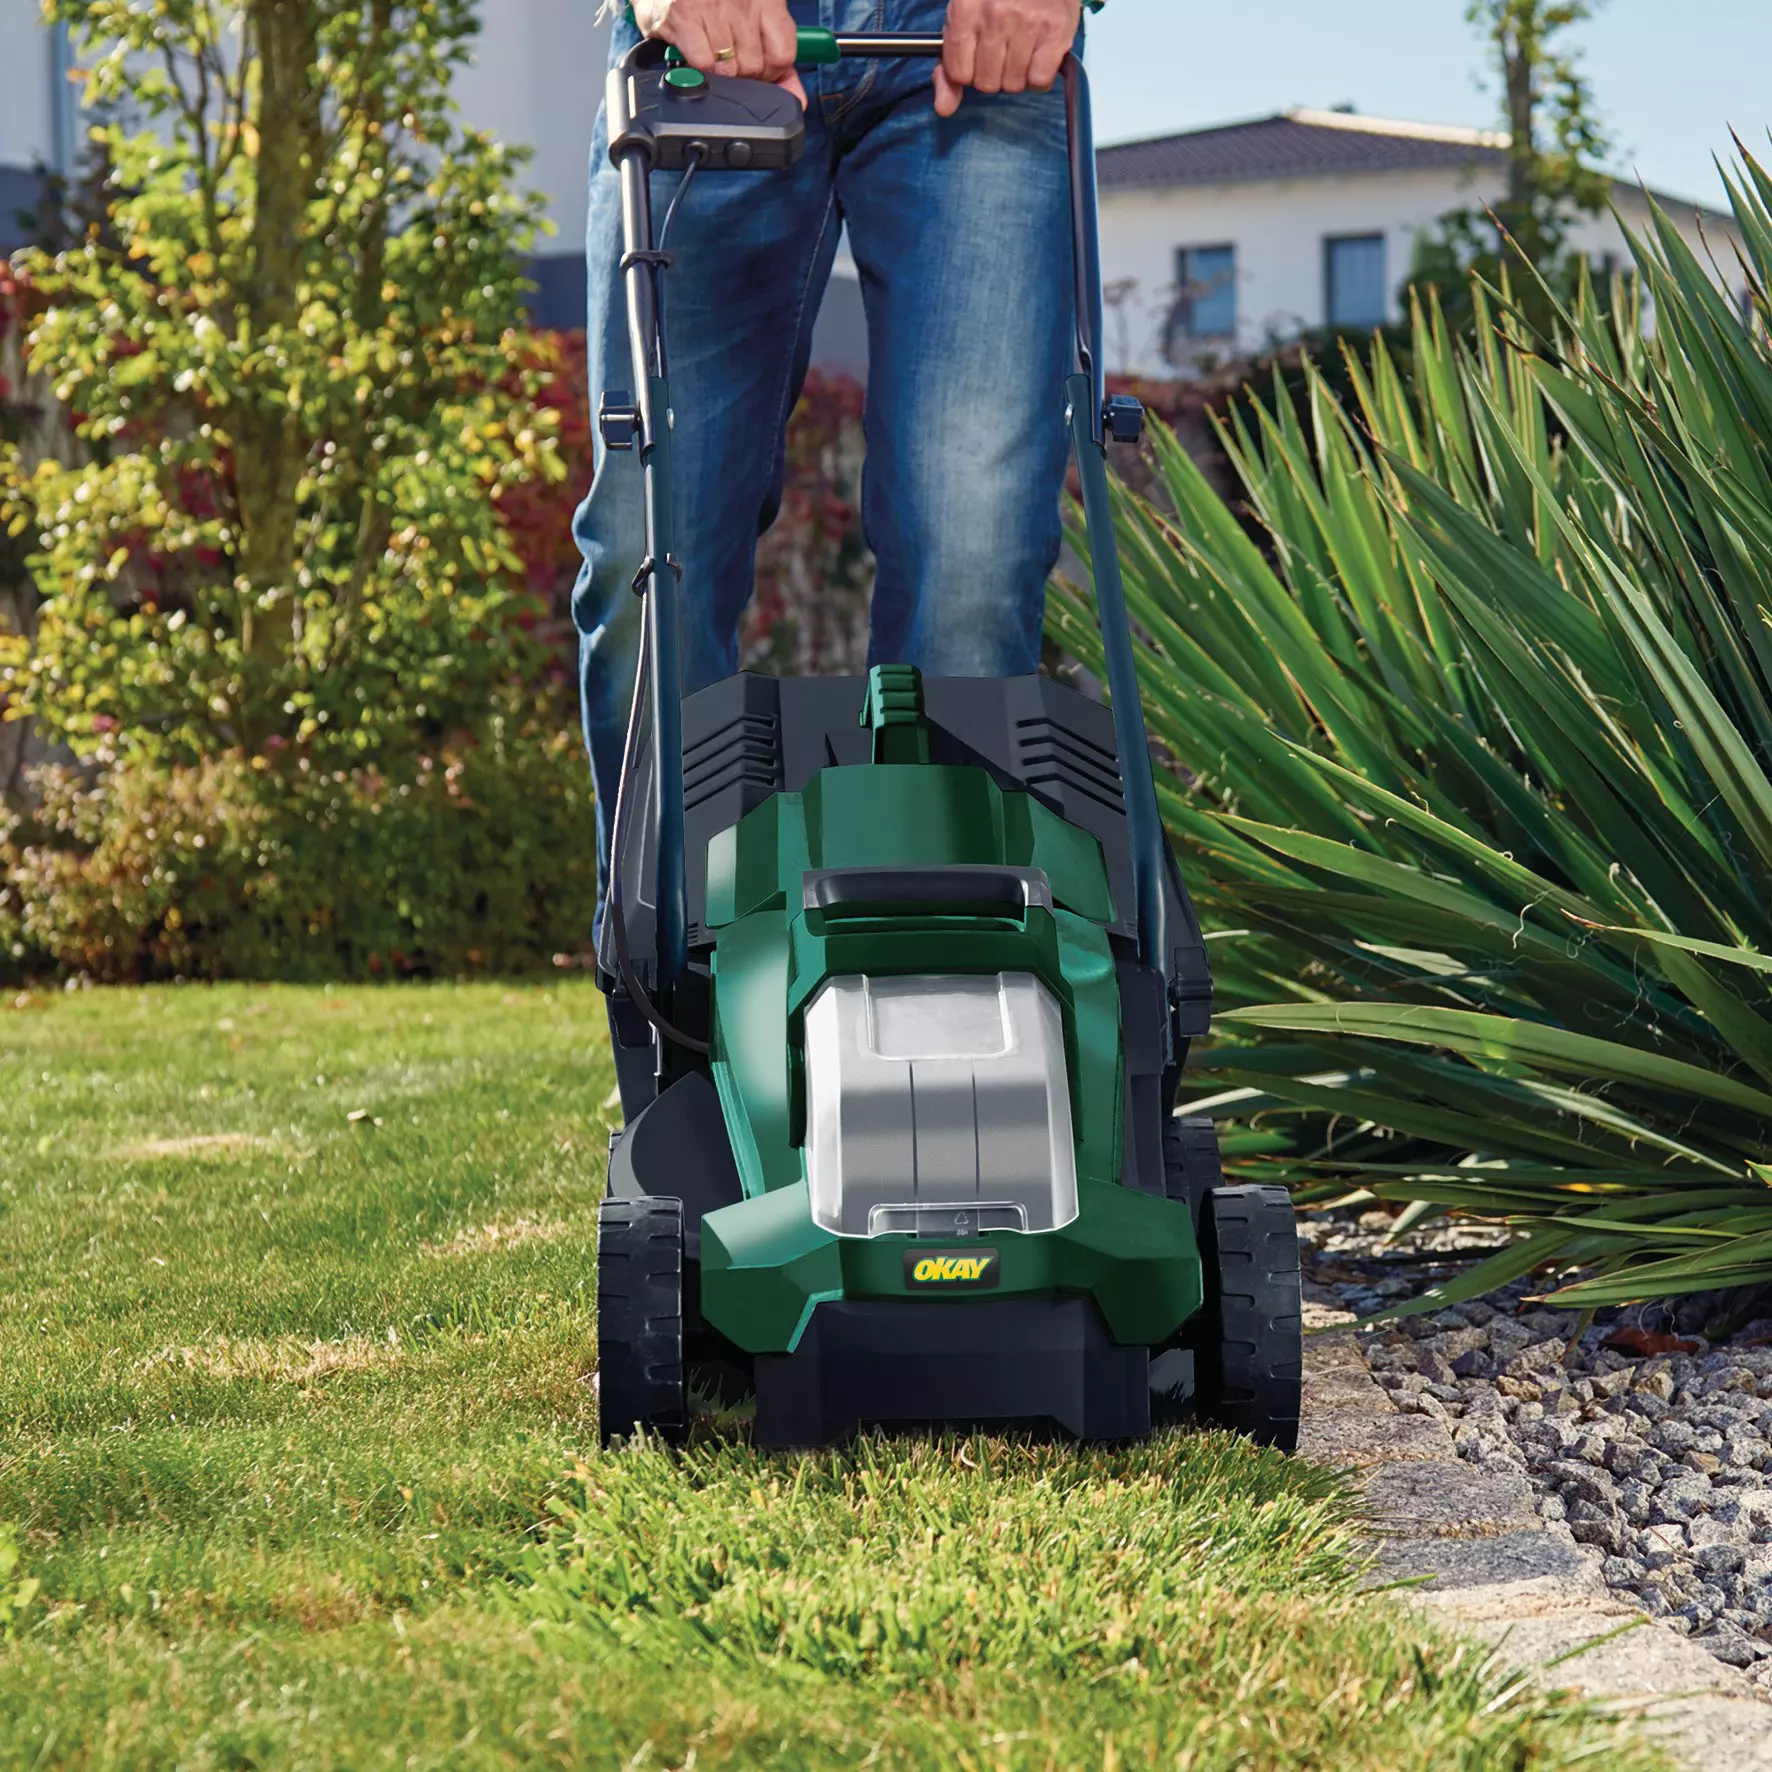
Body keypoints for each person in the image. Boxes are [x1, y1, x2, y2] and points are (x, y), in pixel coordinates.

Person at [572, 0, 1097, 903]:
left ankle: (953, 987)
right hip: (709, 45)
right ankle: (673, 1001)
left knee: (973, 553)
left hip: (977, 46)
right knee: (648, 554)